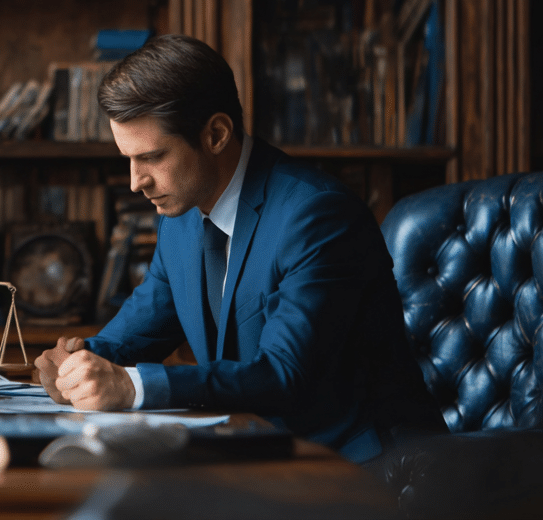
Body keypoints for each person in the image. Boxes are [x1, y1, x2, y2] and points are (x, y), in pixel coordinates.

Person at [34, 34, 443, 464]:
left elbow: (284, 376)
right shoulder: (182, 218)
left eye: (152, 157)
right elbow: (134, 337)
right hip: (254, 459)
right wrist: (76, 364)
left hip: (367, 470)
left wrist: (132, 387)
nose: (137, 182)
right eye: (128, 159)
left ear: (215, 133)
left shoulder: (318, 216)